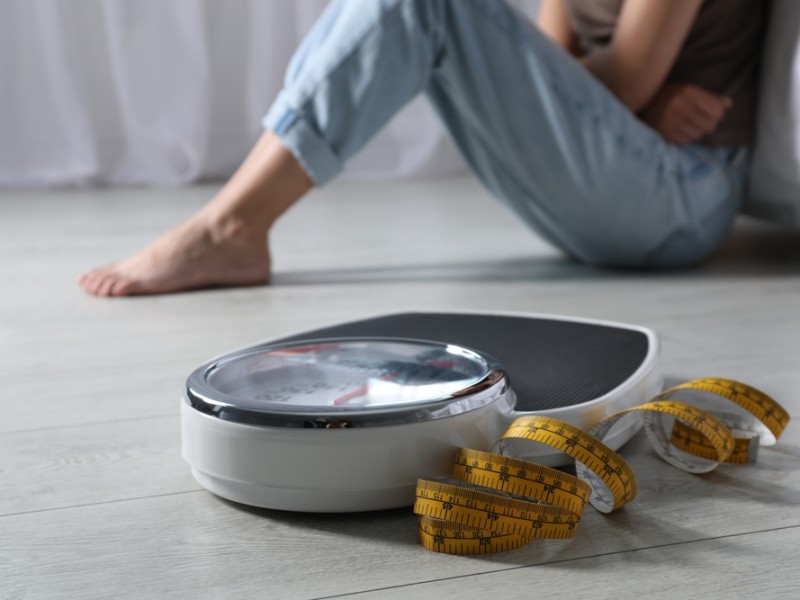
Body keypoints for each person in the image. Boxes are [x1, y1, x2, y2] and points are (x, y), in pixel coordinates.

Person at [78, 0, 767, 297]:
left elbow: (617, 79)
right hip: (623, 170)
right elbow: (563, 69)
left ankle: (230, 227)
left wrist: (623, 89)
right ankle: (230, 226)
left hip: (682, 192)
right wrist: (627, 93)